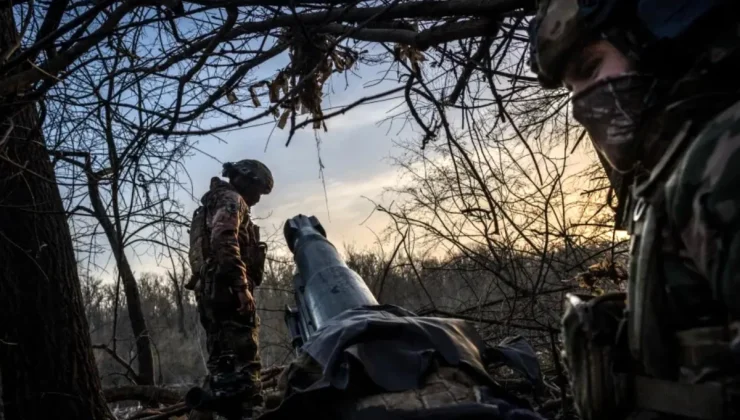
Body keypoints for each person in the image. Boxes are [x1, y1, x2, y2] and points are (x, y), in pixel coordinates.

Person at [528, 0, 740, 419]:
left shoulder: (722, 157)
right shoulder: (677, 168)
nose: (581, 104)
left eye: (590, 68)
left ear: (652, 42)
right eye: (572, 89)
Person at [187, 159, 273, 417]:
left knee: (222, 370)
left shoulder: (210, 204)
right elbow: (224, 238)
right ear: (246, 181)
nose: (258, 198)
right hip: (228, 295)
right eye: (258, 190)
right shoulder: (231, 200)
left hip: (210, 294)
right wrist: (241, 287)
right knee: (245, 374)